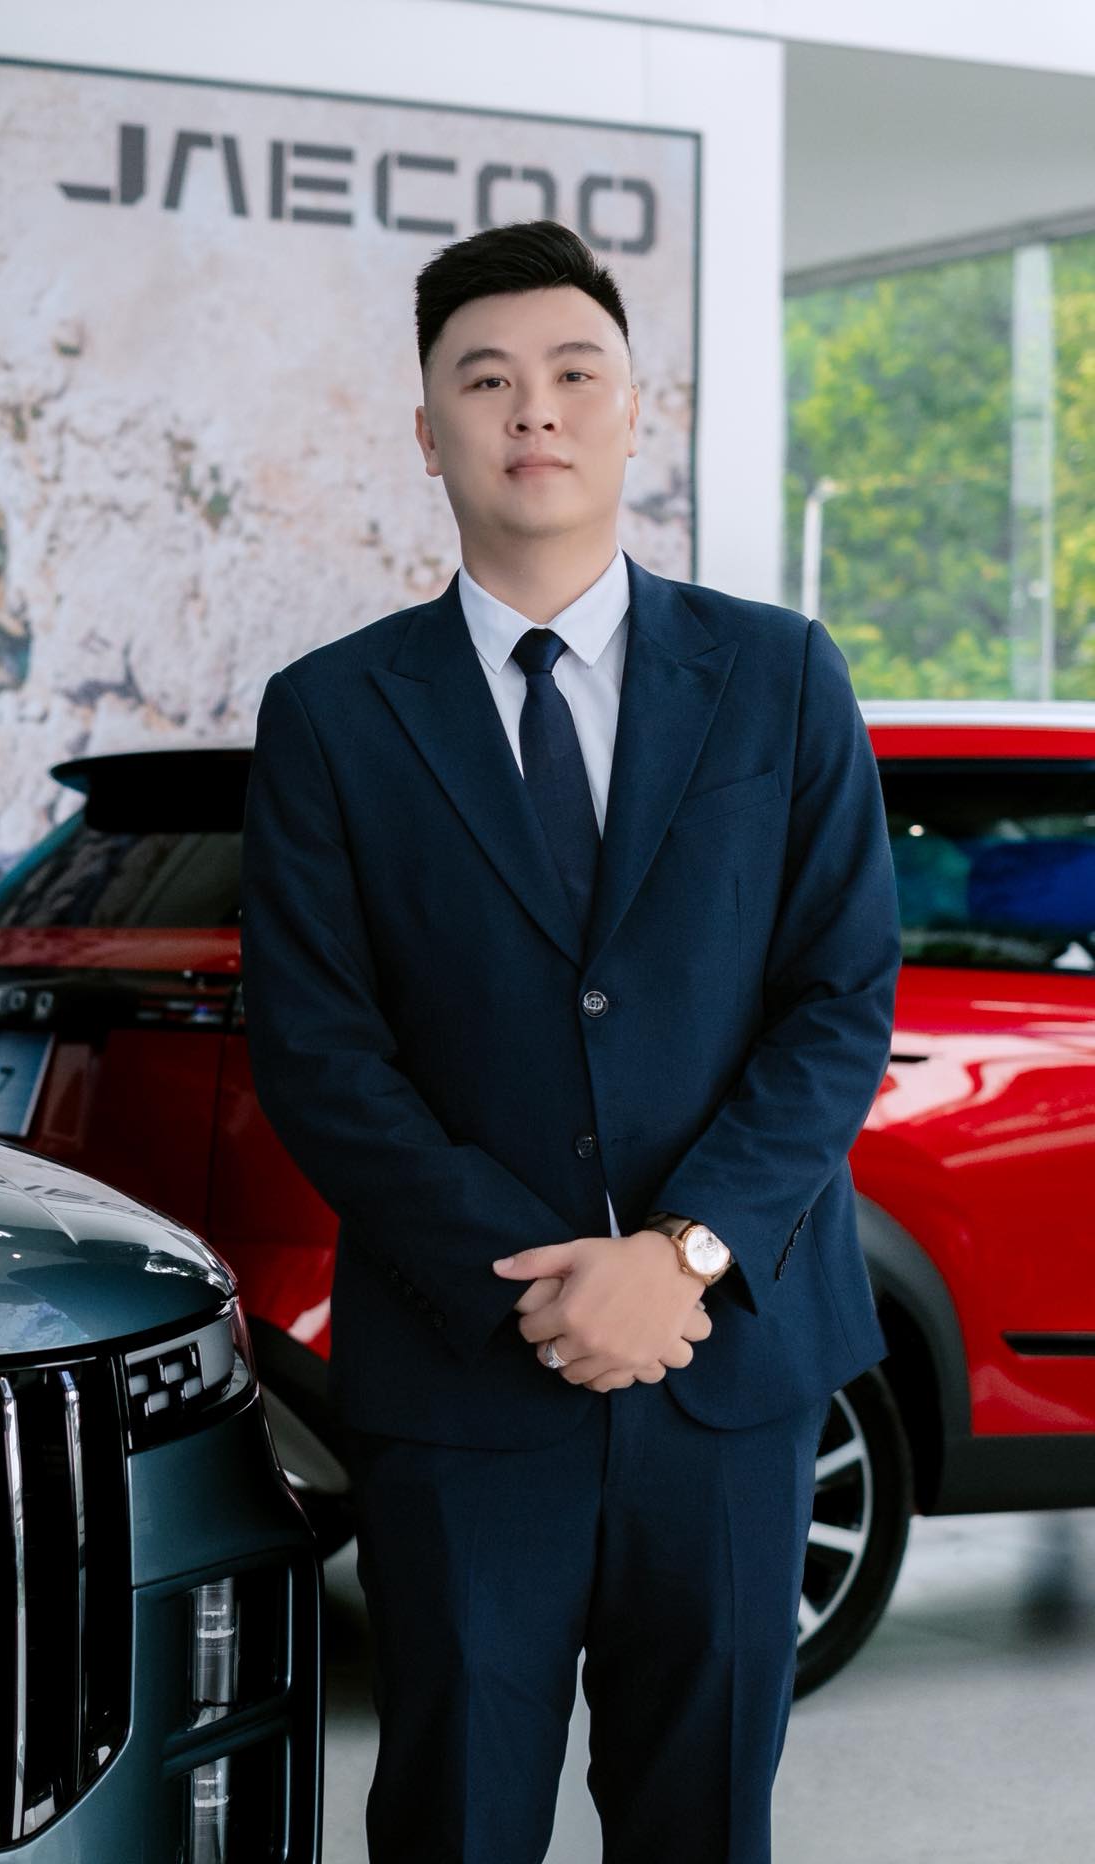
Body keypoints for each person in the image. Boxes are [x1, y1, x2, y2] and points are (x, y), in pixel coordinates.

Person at [238, 219, 900, 1863]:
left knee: (704, 1819)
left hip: (729, 1370)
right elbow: (320, 1052)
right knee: (455, 1821)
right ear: (429, 432)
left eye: (572, 372)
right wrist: (539, 1282)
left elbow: (839, 1002)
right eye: (486, 381)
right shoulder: (331, 715)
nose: (532, 407)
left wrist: (681, 1254)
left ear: (632, 410)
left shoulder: (780, 677)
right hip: (467, 1381)